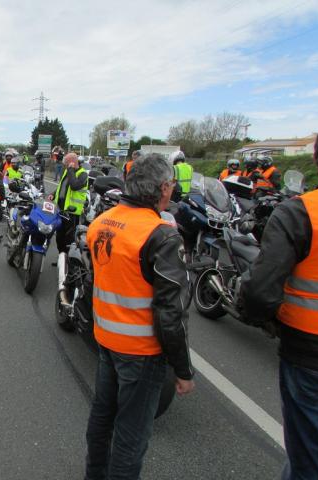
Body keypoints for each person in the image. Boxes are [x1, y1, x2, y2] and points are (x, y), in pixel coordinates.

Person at [84, 153, 195, 480]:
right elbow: (171, 313)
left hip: (105, 341)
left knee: (102, 418)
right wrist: (183, 368)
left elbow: (100, 280)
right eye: (172, 185)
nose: (172, 191)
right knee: (131, 437)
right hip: (141, 353)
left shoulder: (100, 222)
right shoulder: (161, 234)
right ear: (163, 188)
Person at [240, 126, 318, 480]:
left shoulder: (302, 212)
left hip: (312, 354)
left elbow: (261, 290)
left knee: (310, 456)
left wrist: (260, 318)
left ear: (316, 160)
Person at [52, 152, 88, 254]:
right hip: (61, 210)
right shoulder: (68, 171)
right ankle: (61, 257)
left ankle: (68, 262)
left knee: (69, 240)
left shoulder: (83, 174)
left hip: (72, 213)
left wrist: (71, 170)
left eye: (66, 163)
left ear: (72, 163)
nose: (65, 165)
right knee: (59, 237)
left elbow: (74, 186)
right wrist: (53, 194)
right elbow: (62, 187)